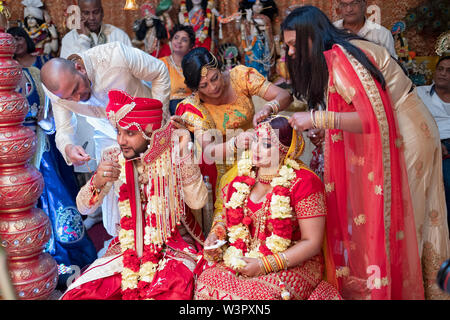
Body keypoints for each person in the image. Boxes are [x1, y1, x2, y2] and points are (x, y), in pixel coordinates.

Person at [275, 6, 450, 300]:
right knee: (409, 216)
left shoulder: (343, 58)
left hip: (406, 133)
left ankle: (405, 290)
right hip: (405, 126)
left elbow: (371, 119)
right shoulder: (340, 53)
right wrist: (330, 128)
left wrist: (318, 120)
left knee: (406, 217)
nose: (290, 53)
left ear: (312, 39)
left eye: (294, 44)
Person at [60, 89, 207, 300]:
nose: (121, 140)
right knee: (80, 295)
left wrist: (184, 154)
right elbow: (84, 208)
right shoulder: (114, 157)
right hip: (126, 247)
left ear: (150, 132)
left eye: (130, 133)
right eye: (119, 132)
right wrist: (98, 181)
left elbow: (198, 201)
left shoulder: (173, 156)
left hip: (173, 247)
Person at [195, 116, 341, 300]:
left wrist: (264, 265)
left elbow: (312, 242)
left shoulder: (304, 183)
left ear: (285, 150)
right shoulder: (241, 178)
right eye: (255, 140)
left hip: (292, 263)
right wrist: (217, 233)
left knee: (257, 297)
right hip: (245, 257)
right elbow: (227, 218)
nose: (256, 149)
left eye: (266, 144)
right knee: (205, 283)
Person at [40, 41, 171, 238]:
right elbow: (64, 128)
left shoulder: (116, 56)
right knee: (115, 192)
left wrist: (155, 119)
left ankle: (165, 232)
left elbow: (159, 71)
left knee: (160, 184)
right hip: (106, 133)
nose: (76, 98)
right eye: (69, 97)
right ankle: (124, 241)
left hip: (147, 125)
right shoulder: (56, 90)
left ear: (80, 68)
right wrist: (68, 148)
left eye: (77, 89)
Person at [8, 26, 97, 287]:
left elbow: (50, 115)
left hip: (35, 142)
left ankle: (65, 258)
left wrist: (40, 129)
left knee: (52, 194)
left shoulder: (36, 73)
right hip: (7, 150)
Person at [175, 47, 292, 229]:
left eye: (214, 78)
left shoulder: (239, 77)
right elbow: (209, 151)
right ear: (195, 88)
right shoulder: (193, 106)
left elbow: (285, 95)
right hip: (223, 170)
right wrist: (234, 144)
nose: (213, 87)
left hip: (260, 155)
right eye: (203, 86)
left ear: (220, 68)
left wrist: (269, 108)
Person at [417, 56, 450, 230]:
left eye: (448, 71)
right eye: (440, 69)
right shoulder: (419, 93)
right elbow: (412, 122)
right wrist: (434, 141)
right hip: (434, 143)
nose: (443, 74)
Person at [60, 0, 131, 59]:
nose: (91, 18)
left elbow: (132, 63)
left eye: (96, 12)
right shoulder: (69, 39)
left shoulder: (118, 35)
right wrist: (83, 38)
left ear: (102, 12)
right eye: (86, 13)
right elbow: (69, 71)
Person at [333, 0, 398, 59]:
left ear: (364, 4)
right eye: (344, 5)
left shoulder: (382, 34)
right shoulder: (332, 30)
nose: (349, 9)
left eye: (354, 3)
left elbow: (392, 68)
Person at [160, 24, 195, 115]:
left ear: (190, 46)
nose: (179, 41)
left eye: (184, 40)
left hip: (191, 109)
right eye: (176, 38)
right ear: (171, 40)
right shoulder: (161, 63)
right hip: (168, 109)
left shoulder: (194, 65)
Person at [238, 0, 278, 79]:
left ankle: (264, 77)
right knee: (253, 62)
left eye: (260, 5)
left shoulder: (266, 19)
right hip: (251, 44)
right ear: (251, 6)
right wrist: (246, 20)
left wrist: (270, 46)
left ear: (263, 7)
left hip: (263, 43)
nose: (257, 7)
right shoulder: (247, 19)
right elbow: (245, 33)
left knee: (263, 61)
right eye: (254, 5)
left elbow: (268, 33)